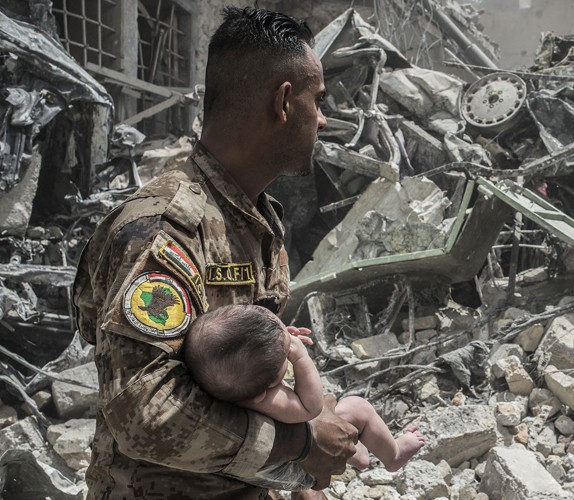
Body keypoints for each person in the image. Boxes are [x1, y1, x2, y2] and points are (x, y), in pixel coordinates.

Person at [72, 7, 358, 498]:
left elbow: (253, 374)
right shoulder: (165, 229)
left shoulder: (254, 218)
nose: (324, 118)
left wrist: (298, 477)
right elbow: (144, 414)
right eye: (318, 100)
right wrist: (297, 443)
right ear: (283, 102)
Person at [184, 304, 425, 477]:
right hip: (293, 461)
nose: (290, 344)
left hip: (263, 455)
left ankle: (360, 455)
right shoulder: (267, 400)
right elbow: (312, 407)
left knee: (342, 427)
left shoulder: (229, 381)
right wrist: (300, 357)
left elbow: (246, 347)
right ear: (262, 393)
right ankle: (394, 456)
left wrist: (277, 339)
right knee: (357, 407)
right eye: (285, 354)